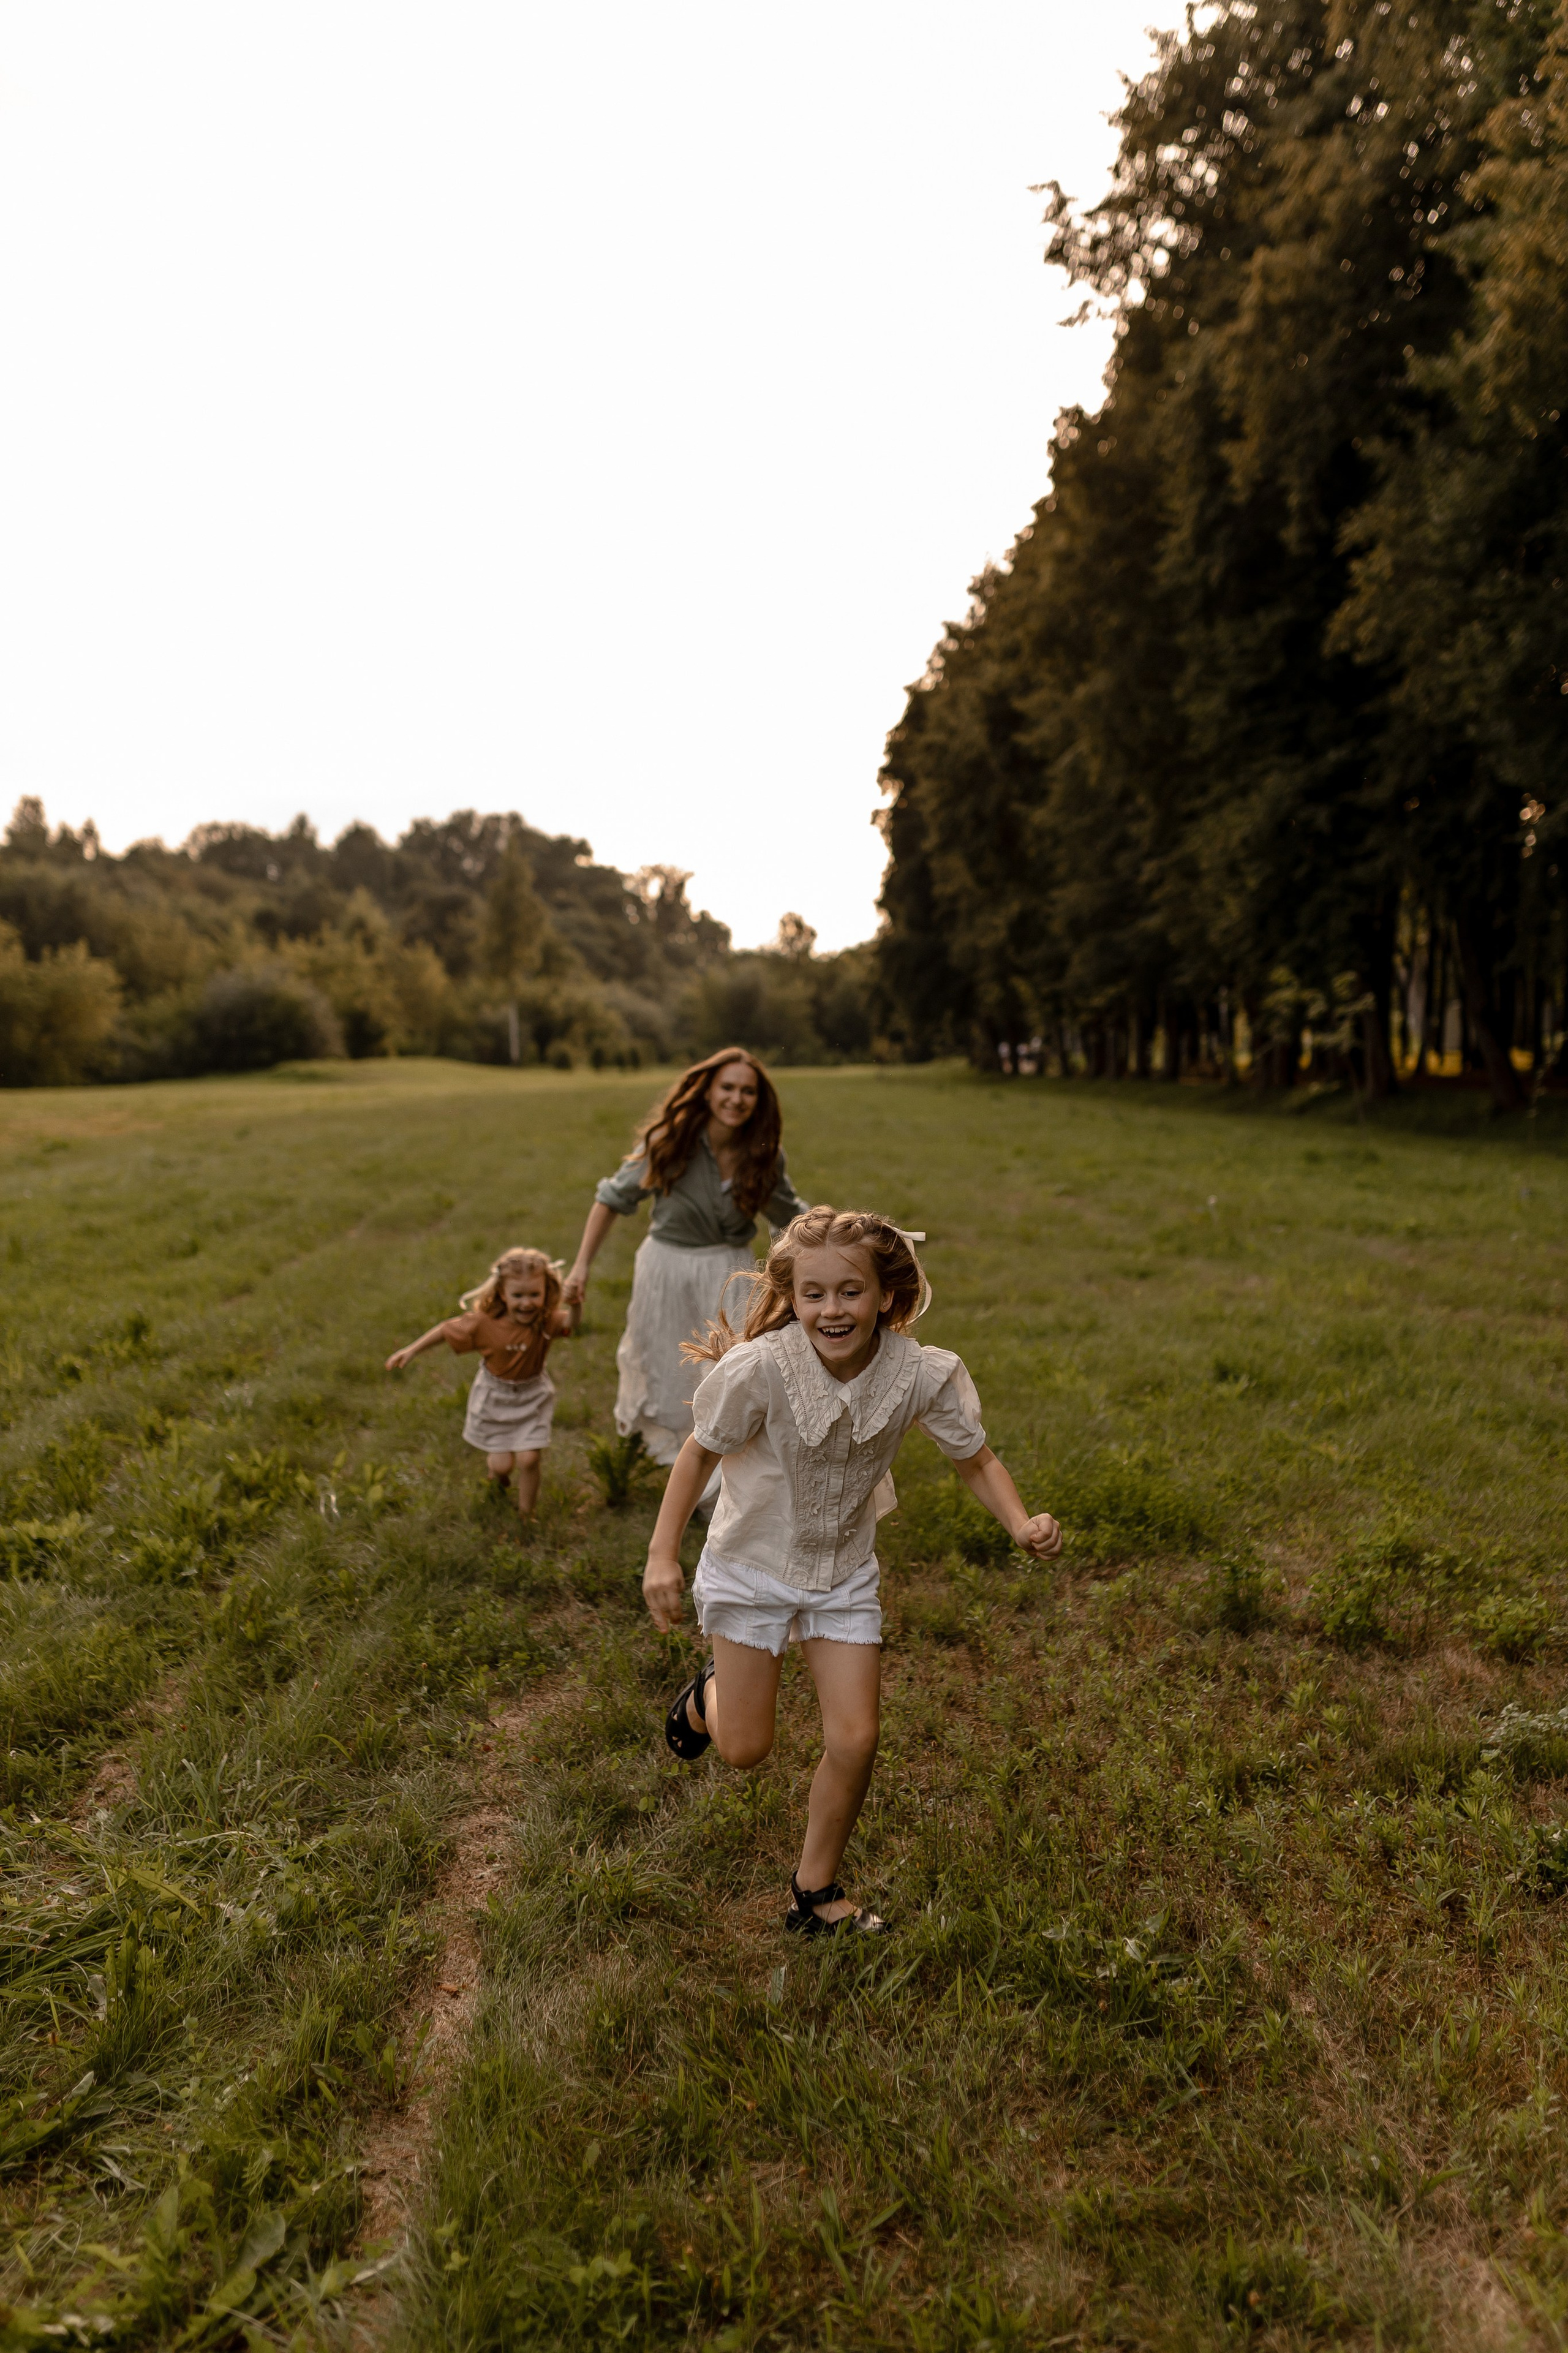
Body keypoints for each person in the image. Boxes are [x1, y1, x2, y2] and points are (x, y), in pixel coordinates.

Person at [640, 1207, 1062, 1936]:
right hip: (752, 1566)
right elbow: (699, 1454)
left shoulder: (920, 1374)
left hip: (842, 1573)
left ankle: (815, 1894)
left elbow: (977, 1460)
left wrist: (1020, 1522)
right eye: (813, 1294)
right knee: (745, 1749)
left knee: (856, 1738)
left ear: (885, 1295)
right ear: (793, 1296)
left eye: (849, 1292)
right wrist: (660, 1554)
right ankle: (709, 1700)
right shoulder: (762, 1368)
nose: (831, 1310)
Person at [562, 1049, 809, 1495]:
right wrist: (581, 1267)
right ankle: (683, 1472)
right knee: (669, 1366)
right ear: (709, 1091)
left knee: (733, 1372)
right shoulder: (671, 1139)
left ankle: (726, 1480)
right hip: (665, 1266)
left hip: (727, 1269)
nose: (736, 1098)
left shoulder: (764, 1154)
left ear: (759, 1099)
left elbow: (791, 1217)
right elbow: (611, 1198)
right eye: (728, 1087)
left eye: (747, 1091)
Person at [386, 1245, 579, 1518]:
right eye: (518, 1295)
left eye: (535, 1295)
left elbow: (572, 1326)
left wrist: (575, 1304)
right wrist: (412, 1350)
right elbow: (445, 1330)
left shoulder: (545, 1322)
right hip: (495, 1397)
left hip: (532, 1396)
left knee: (530, 1458)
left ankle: (527, 1516)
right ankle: (497, 1479)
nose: (527, 1303)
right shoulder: (483, 1324)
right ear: (503, 1293)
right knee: (502, 1466)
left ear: (547, 1292)